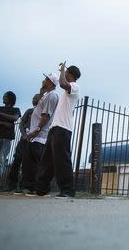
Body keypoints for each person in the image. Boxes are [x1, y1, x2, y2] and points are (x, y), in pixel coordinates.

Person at [36, 63, 81, 199]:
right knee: (47, 161)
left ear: (70, 75)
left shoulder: (75, 86)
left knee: (62, 160)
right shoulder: (64, 93)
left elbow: (62, 83)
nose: (64, 74)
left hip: (63, 128)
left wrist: (62, 70)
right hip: (54, 128)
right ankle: (42, 189)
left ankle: (67, 190)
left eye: (66, 72)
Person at [21, 74, 59, 196]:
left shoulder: (52, 95)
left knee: (38, 165)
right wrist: (42, 91)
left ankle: (39, 188)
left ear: (51, 82)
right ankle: (30, 187)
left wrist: (36, 131)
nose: (43, 80)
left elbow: (46, 116)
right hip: (34, 136)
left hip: (39, 136)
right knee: (29, 164)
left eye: (46, 79)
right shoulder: (46, 95)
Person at [5, 93, 41, 192]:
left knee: (29, 164)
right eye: (33, 97)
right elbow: (21, 124)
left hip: (35, 141)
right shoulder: (29, 111)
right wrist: (24, 135)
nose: (33, 99)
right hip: (24, 140)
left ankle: (24, 185)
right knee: (17, 161)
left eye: (36, 98)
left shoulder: (43, 112)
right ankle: (11, 184)